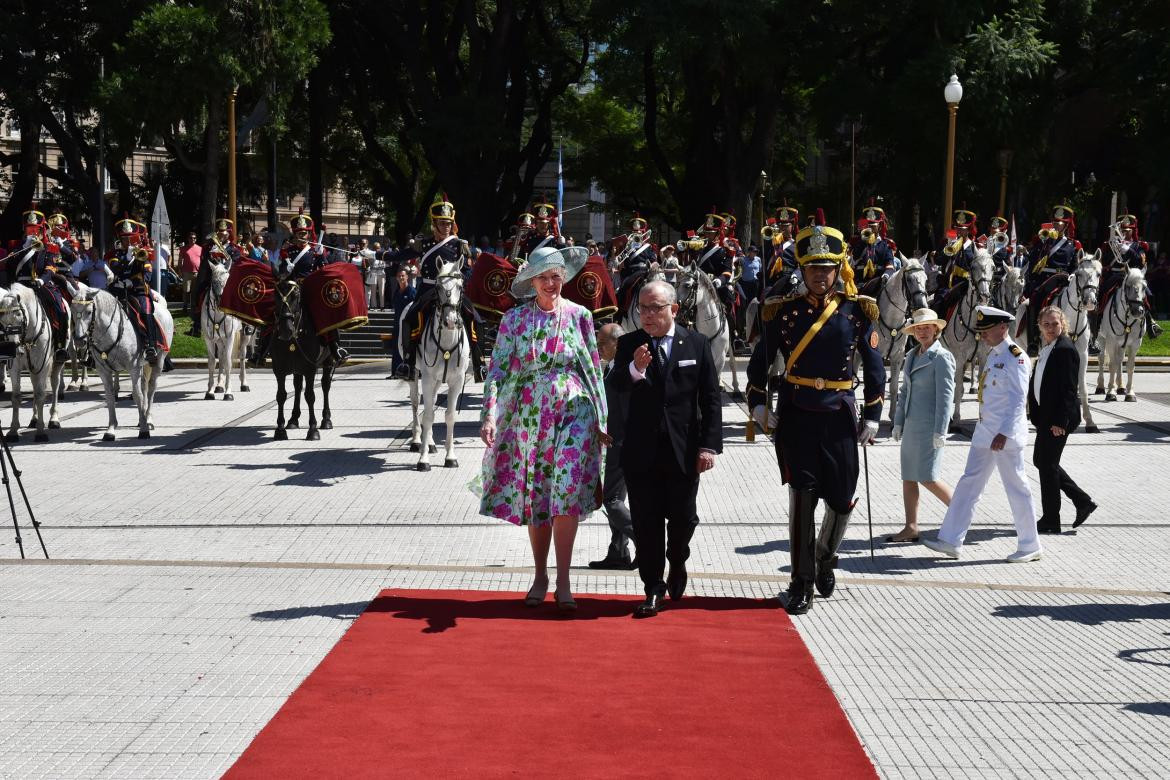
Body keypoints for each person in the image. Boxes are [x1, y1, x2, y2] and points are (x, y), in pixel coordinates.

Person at [746, 210, 885, 615]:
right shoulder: (781, 311)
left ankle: (826, 555)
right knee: (802, 497)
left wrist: (874, 413)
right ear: (802, 272)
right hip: (798, 413)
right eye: (812, 270)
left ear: (838, 269)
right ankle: (801, 581)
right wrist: (758, 403)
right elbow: (761, 362)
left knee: (842, 499)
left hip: (840, 414)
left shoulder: (858, 310)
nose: (820, 277)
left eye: (826, 269)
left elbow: (873, 364)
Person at [478, 245, 608, 613]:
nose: (550, 283)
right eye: (543, 277)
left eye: (556, 276)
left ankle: (564, 579)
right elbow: (498, 370)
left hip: (574, 410)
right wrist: (490, 414)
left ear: (563, 277)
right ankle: (540, 575)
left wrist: (601, 416)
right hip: (530, 415)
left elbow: (593, 367)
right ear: (531, 281)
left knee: (566, 492)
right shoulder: (514, 321)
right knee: (538, 495)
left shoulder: (580, 315)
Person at [611, 280, 721, 617]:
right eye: (642, 308)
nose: (647, 314)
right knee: (646, 522)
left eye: (655, 308)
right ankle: (653, 588)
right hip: (641, 450)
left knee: (684, 517)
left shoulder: (696, 344)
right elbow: (615, 385)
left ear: (673, 309)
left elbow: (711, 398)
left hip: (684, 450)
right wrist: (635, 369)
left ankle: (678, 559)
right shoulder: (630, 343)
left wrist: (708, 446)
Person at [922, 305, 1042, 562]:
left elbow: (1018, 399)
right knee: (969, 484)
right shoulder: (994, 354)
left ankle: (1030, 545)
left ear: (1002, 328)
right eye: (981, 331)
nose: (982, 336)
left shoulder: (1015, 356)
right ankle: (951, 540)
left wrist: (1005, 432)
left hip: (1004, 437)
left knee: (1017, 487)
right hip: (985, 432)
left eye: (986, 330)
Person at [395, 195, 484, 380]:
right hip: (428, 289)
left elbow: (468, 271)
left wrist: (459, 279)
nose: (446, 227)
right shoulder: (424, 244)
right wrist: (382, 255)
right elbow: (401, 255)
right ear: (434, 224)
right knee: (410, 317)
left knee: (475, 318)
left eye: (449, 223)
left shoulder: (459, 245)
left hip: (453, 293)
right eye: (442, 223)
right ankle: (408, 363)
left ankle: (479, 363)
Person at [889, 308, 956, 543]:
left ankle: (961, 516)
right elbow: (905, 391)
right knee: (909, 476)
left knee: (928, 477)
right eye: (918, 328)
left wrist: (941, 430)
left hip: (929, 427)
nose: (922, 331)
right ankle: (911, 527)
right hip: (911, 426)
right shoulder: (912, 355)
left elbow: (945, 397)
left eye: (927, 327)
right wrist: (897, 423)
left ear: (936, 329)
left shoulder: (942, 357)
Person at [1030, 306, 1097, 534]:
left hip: (1058, 420)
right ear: (1040, 325)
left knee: (1046, 465)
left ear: (1063, 325)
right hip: (1046, 417)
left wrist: (1060, 421)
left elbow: (1069, 389)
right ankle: (1082, 501)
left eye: (1055, 324)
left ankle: (1051, 519)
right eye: (1046, 324)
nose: (1050, 328)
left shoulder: (1065, 349)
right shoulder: (1048, 347)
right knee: (1042, 461)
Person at [588, 322, 637, 570]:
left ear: (616, 343)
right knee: (616, 497)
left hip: (620, 443)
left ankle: (646, 541)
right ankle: (618, 551)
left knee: (611, 499)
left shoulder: (629, 368)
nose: (598, 349)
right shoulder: (613, 366)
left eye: (601, 344)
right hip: (615, 442)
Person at [388, 267, 416, 377]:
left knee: (407, 350)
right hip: (397, 325)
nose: (401, 278)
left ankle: (408, 371)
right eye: (399, 276)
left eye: (403, 276)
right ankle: (395, 372)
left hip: (408, 326)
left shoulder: (412, 292)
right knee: (395, 348)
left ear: (407, 277)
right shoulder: (396, 292)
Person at [178, 232, 202, 313]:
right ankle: (185, 306)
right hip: (186, 272)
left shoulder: (200, 248)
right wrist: (180, 271)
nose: (193, 239)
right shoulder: (183, 248)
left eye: (194, 238)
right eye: (191, 238)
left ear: (196, 239)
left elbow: (202, 261)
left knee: (195, 291)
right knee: (186, 291)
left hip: (197, 273)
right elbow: (180, 260)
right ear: (188, 239)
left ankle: (193, 307)